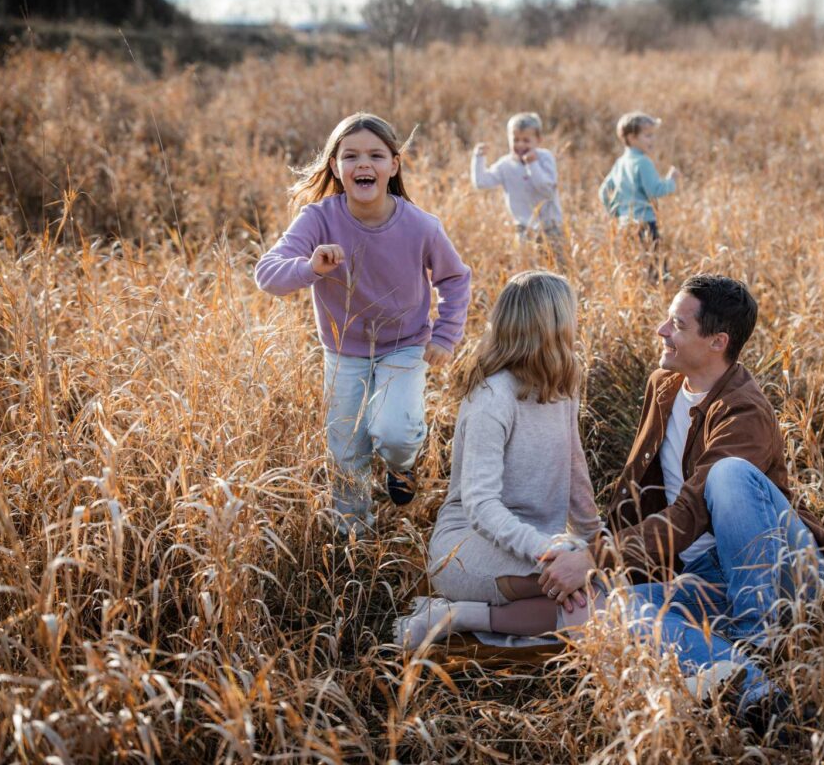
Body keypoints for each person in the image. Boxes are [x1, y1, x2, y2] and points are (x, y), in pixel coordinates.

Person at [538, 274, 824, 721]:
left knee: (728, 476)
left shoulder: (743, 411)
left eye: (677, 324)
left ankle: (760, 639)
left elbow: (690, 512)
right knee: (613, 609)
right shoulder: (665, 385)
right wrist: (592, 550)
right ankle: (754, 686)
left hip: (782, 572)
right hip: (709, 576)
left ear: (717, 341)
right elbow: (639, 483)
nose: (662, 331)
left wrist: (597, 558)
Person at [254, 113, 471, 539]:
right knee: (346, 450)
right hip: (343, 351)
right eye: (350, 156)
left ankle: (402, 465)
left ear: (395, 164)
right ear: (335, 166)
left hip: (405, 345)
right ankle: (355, 536)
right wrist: (309, 266)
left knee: (394, 432)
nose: (363, 164)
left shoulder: (420, 226)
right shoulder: (319, 219)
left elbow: (455, 278)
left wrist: (445, 334)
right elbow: (267, 273)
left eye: (375, 154)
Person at [394, 271, 603, 650]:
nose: (576, 326)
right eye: (571, 317)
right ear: (553, 325)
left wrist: (595, 545)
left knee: (601, 589)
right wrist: (547, 553)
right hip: (469, 550)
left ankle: (455, 617)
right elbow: (480, 505)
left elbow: (575, 471)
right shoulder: (493, 397)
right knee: (592, 595)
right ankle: (452, 612)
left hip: (539, 544)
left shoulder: (563, 384)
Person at [471, 112, 567, 266]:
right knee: (527, 272)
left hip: (550, 227)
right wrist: (478, 158)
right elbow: (481, 182)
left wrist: (532, 165)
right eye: (516, 140)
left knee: (557, 267)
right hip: (524, 229)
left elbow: (547, 190)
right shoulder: (505, 165)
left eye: (526, 140)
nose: (520, 145)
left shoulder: (545, 158)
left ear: (538, 140)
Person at [598, 111, 679, 245]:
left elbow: (603, 192)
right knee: (655, 264)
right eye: (648, 136)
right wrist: (671, 181)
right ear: (632, 138)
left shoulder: (620, 163)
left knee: (634, 263)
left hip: (625, 225)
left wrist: (616, 213)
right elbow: (654, 190)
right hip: (645, 224)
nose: (653, 139)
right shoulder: (643, 162)